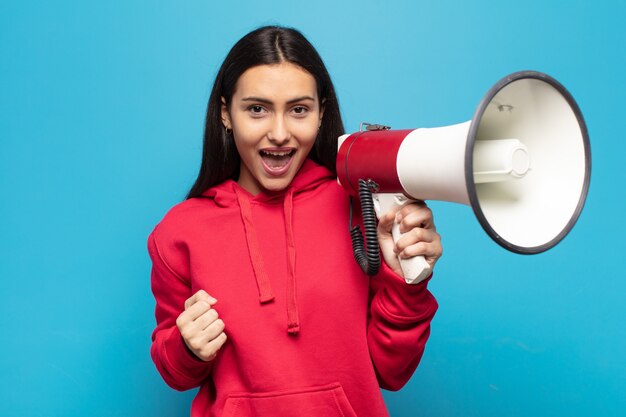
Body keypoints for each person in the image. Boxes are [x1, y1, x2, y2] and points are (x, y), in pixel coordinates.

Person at [148, 25, 442, 417]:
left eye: (299, 109)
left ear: (321, 113)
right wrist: (185, 347)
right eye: (257, 109)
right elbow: (176, 373)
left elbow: (393, 372)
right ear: (225, 113)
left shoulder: (362, 209)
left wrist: (407, 280)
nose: (280, 133)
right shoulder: (179, 232)